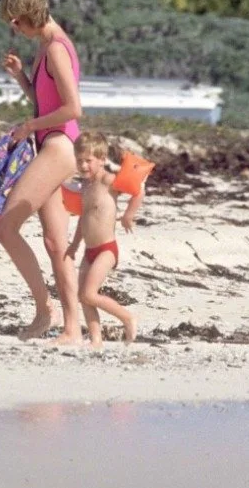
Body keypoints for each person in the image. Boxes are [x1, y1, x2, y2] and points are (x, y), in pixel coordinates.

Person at [0, 0, 83, 344]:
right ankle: (72, 329)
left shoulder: (57, 48)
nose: (15, 28)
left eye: (17, 21)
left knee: (5, 227)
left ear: (30, 14)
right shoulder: (46, 46)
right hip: (53, 143)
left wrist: (29, 127)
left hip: (59, 146)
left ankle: (45, 309)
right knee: (55, 243)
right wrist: (21, 77)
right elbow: (45, 102)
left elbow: (73, 109)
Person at [67, 131, 141, 348]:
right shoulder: (85, 187)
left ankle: (127, 318)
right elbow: (83, 219)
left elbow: (138, 192)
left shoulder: (108, 180)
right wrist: (74, 245)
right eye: (79, 160)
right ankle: (96, 340)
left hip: (107, 249)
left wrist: (128, 216)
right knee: (83, 296)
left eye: (88, 160)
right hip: (88, 251)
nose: (83, 165)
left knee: (89, 294)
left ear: (101, 159)